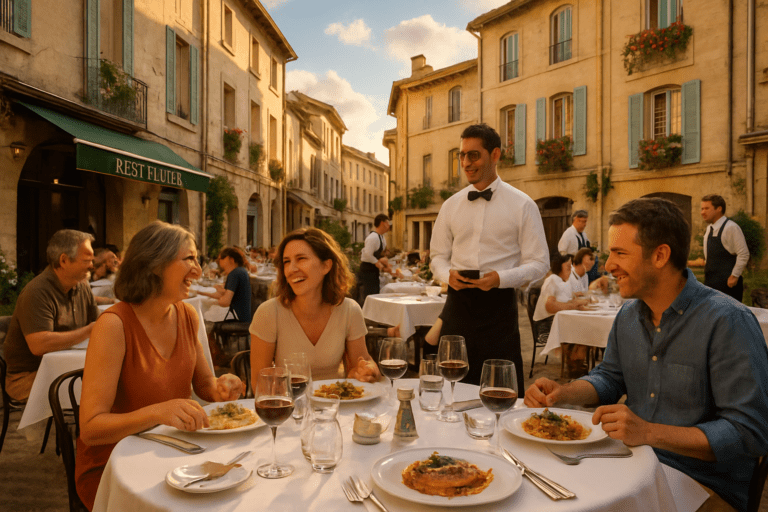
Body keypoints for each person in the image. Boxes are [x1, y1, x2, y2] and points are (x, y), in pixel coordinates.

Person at [525, 198, 768, 512]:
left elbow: (749, 432)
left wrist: (649, 432)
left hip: (704, 486)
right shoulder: (628, 316)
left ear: (660, 255)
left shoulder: (728, 321)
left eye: (620, 253)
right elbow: (609, 378)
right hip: (630, 466)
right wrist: (564, 393)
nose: (608, 265)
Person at [76, 221, 244, 511]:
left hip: (174, 451)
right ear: (154, 265)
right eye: (189, 259)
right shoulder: (114, 325)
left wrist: (222, 387)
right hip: (116, 466)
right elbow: (91, 428)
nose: (198, 271)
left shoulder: (187, 314)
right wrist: (157, 412)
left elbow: (206, 386)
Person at [430, 123, 549, 388]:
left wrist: (501, 278)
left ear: (495, 155)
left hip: (499, 311)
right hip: (457, 306)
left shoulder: (523, 205)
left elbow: (540, 263)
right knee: (451, 387)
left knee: (500, 390)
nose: (465, 163)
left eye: (473, 155)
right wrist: (447, 274)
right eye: (462, 155)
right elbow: (437, 257)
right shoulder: (450, 206)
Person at [250, 228, 380, 382]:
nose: (291, 269)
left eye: (301, 259)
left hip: (336, 396)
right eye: (286, 262)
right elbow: (259, 383)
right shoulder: (269, 313)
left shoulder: (349, 310)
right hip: (288, 397)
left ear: (326, 266)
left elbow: (362, 363)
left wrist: (368, 370)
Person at [4, 230, 99, 401]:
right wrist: (87, 331)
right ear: (64, 260)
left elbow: (99, 324)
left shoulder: (82, 286)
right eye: (86, 260)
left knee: (114, 381)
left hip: (68, 369)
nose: (92, 265)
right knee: (99, 391)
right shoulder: (37, 292)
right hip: (28, 378)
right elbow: (39, 345)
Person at [701, 194, 750, 302]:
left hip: (728, 287)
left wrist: (734, 276)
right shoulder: (709, 229)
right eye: (702, 209)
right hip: (710, 284)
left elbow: (743, 253)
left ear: (719, 209)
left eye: (706, 208)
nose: (702, 212)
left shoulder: (731, 228)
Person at [199, 246, 252, 322]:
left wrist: (210, 303)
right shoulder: (240, 271)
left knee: (204, 318)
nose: (219, 261)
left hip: (238, 319)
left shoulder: (234, 274)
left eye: (222, 258)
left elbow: (225, 302)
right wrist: (201, 293)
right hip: (243, 317)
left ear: (231, 259)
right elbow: (224, 295)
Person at [357, 213, 392, 306]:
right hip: (367, 269)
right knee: (369, 295)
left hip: (374, 269)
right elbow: (368, 254)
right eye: (387, 223)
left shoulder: (382, 238)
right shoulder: (373, 238)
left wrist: (385, 261)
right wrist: (377, 263)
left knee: (375, 293)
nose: (389, 225)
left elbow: (380, 254)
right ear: (382, 223)